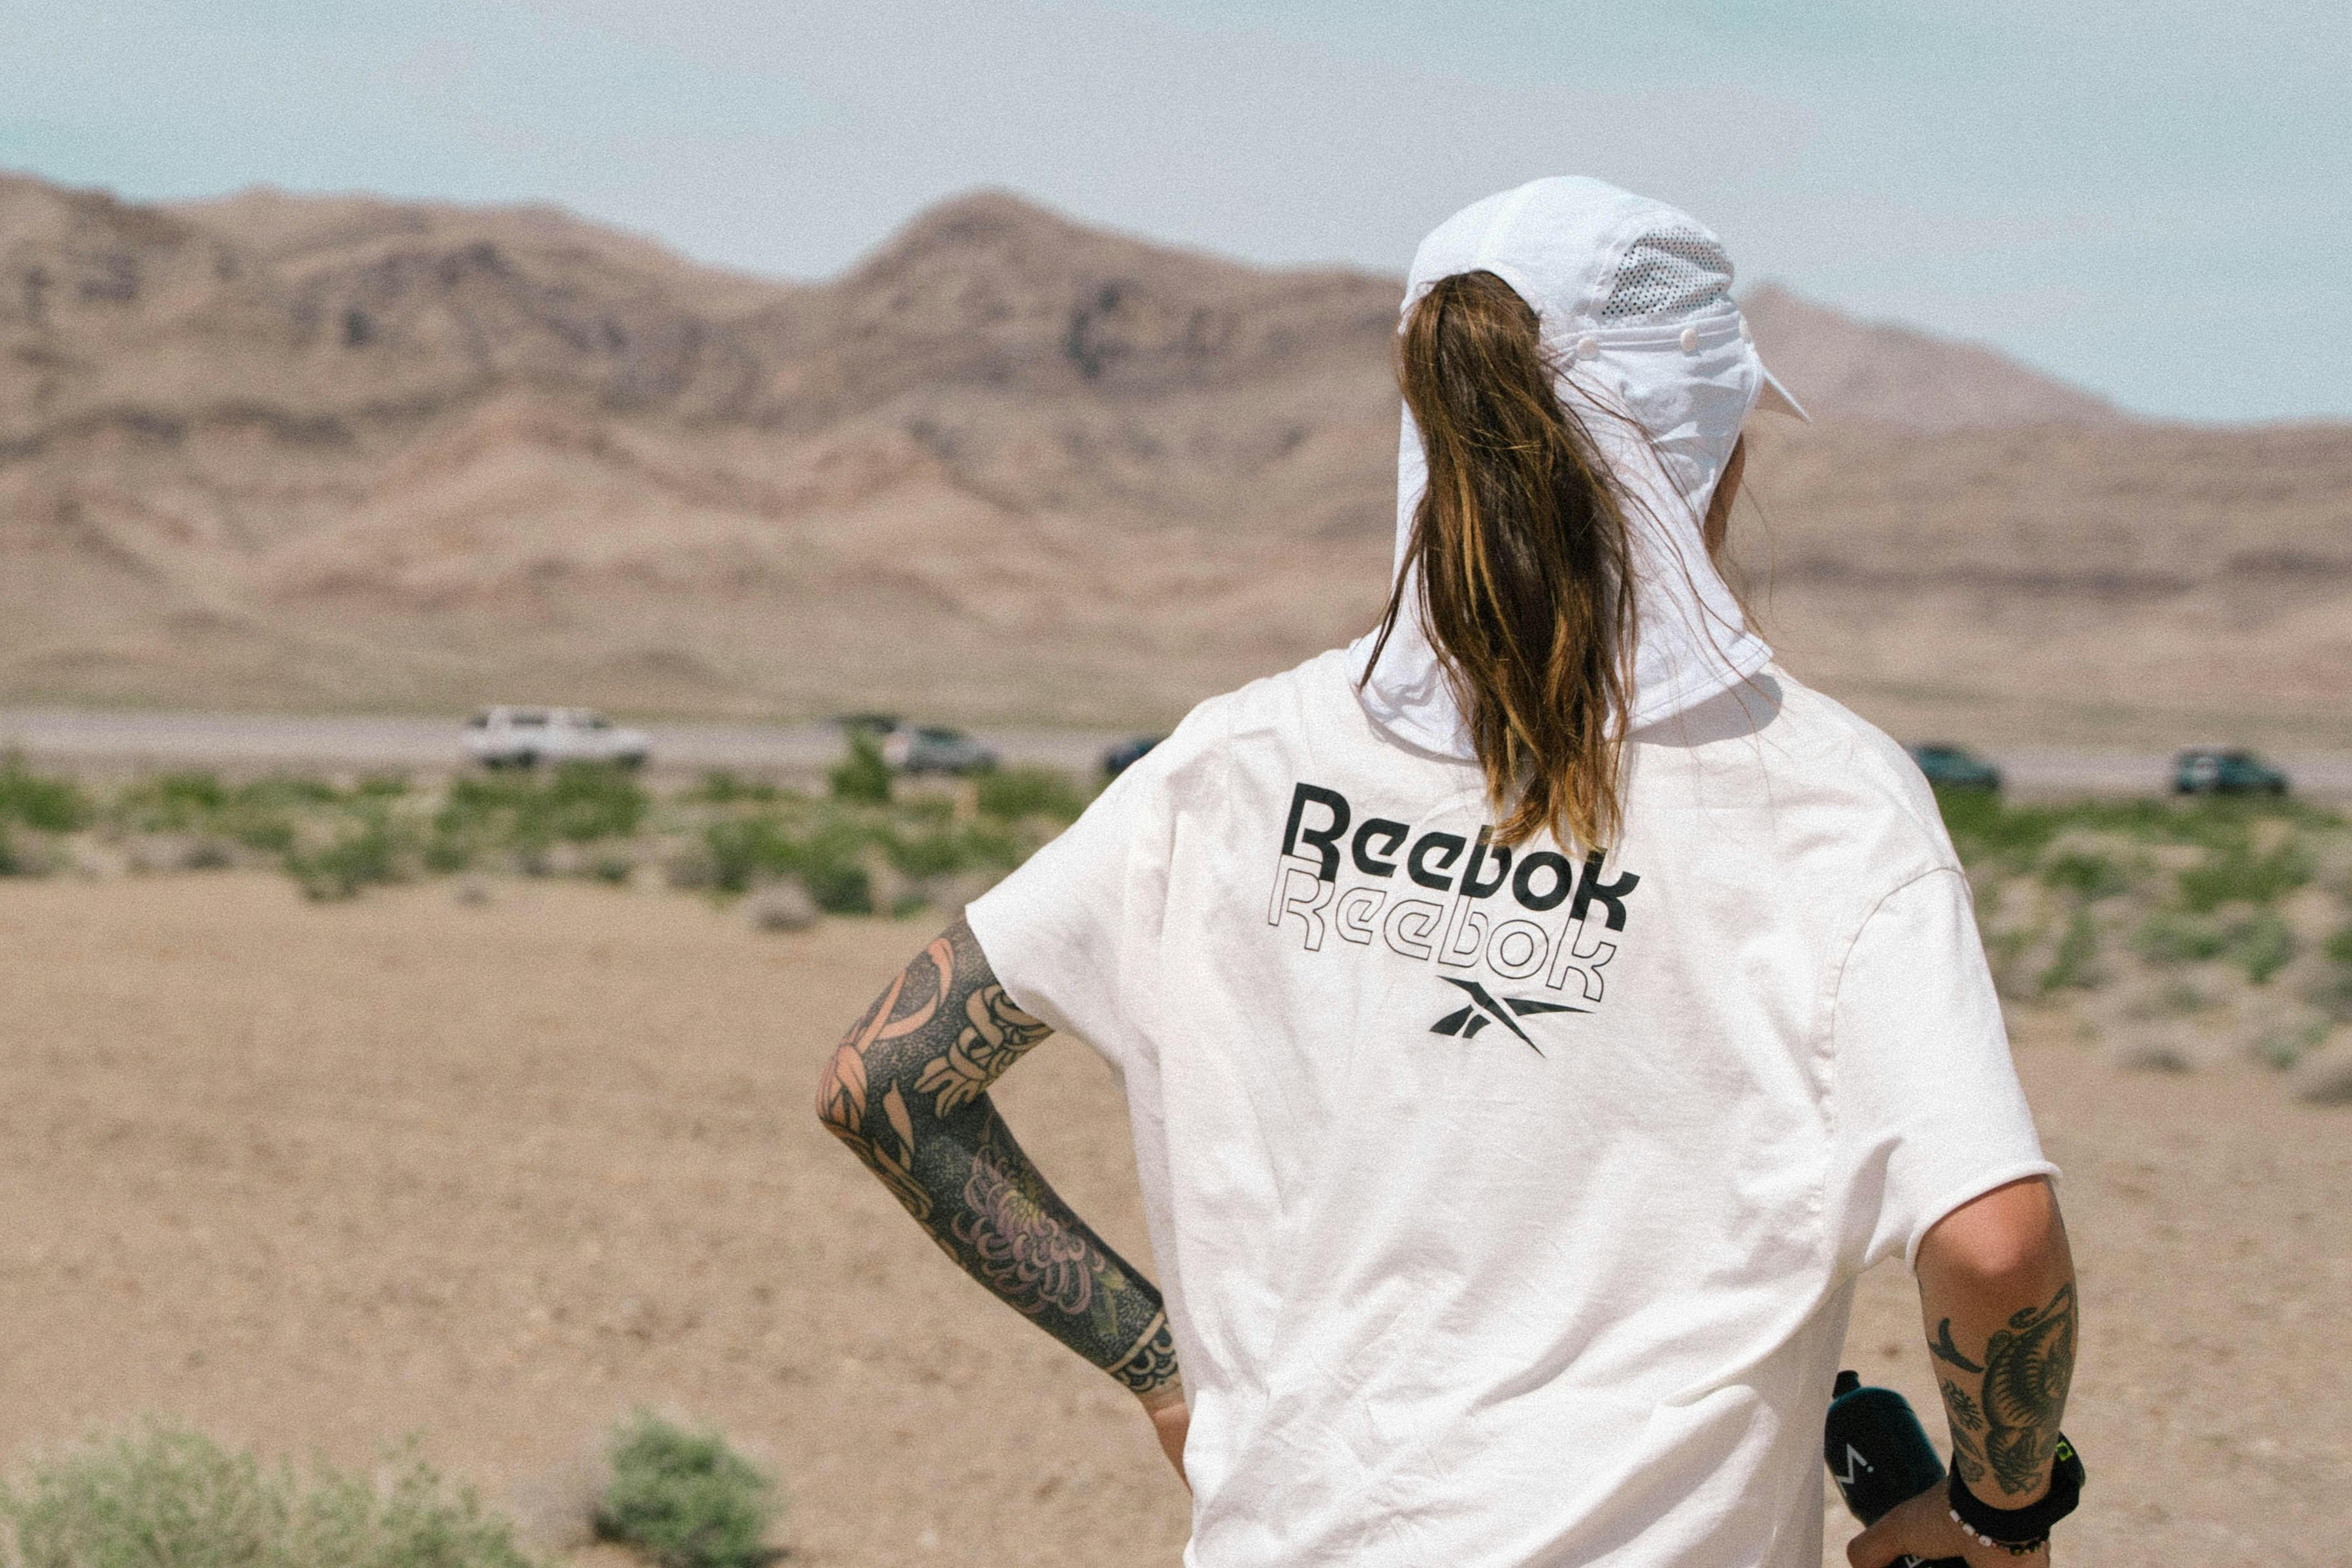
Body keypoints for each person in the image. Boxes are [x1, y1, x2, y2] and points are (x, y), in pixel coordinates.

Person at [817, 177, 2080, 1568]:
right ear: (1713, 449)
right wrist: (1996, 1506)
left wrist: (1169, 1376)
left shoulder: (1234, 763)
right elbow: (1996, 1252)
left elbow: (891, 1082)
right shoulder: (1826, 799)